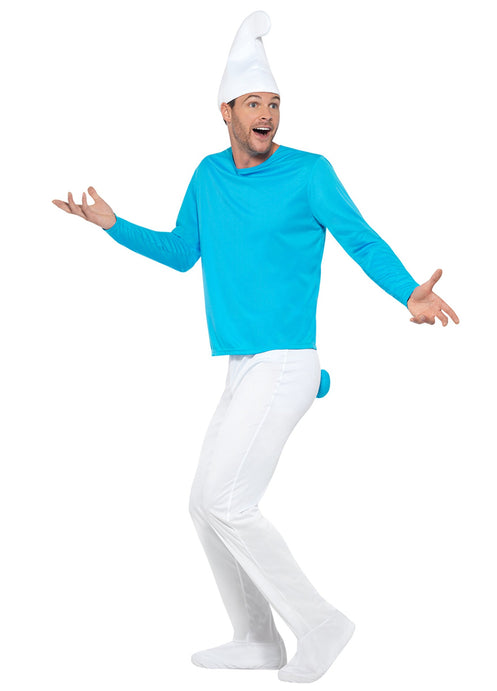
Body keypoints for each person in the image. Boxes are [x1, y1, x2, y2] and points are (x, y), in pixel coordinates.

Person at [52, 10, 459, 684]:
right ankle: (256, 638)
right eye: (253, 103)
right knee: (202, 503)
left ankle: (321, 624)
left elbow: (360, 239)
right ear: (226, 111)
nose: (266, 113)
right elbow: (182, 252)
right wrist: (113, 224)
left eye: (274, 103)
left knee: (228, 501)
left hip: (286, 361)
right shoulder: (208, 176)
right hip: (242, 366)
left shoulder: (309, 172)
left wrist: (407, 292)